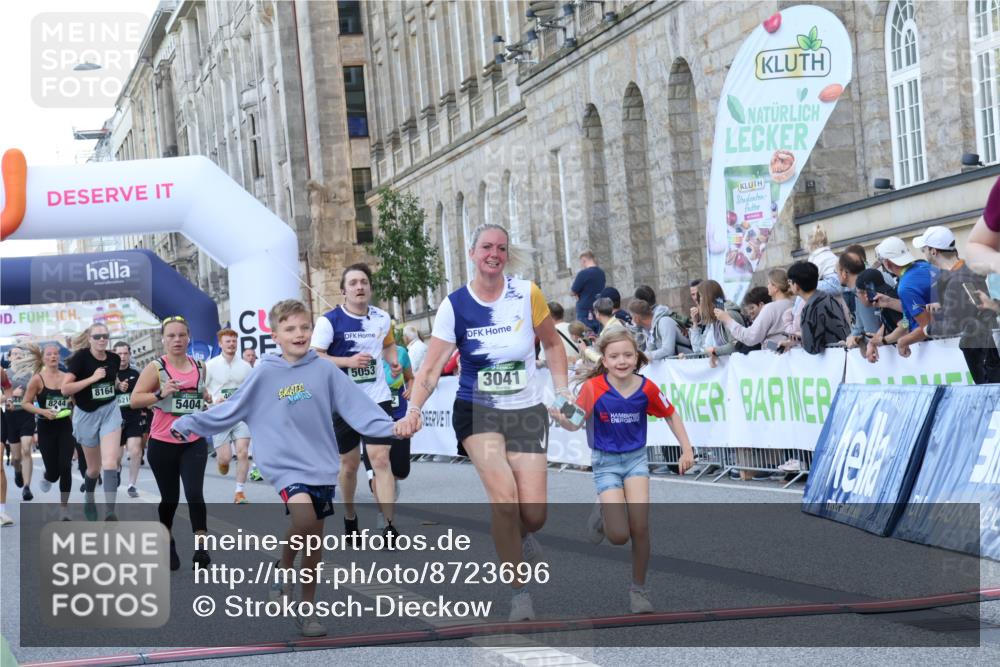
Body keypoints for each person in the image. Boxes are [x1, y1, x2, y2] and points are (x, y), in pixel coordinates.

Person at [172, 299, 406, 638]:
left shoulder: (325, 370)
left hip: (321, 465)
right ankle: (283, 569)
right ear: (276, 335)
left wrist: (392, 426)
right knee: (304, 521)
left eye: (304, 327)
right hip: (284, 466)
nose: (299, 334)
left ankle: (307, 609)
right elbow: (234, 408)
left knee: (314, 545)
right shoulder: (266, 372)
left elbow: (358, 407)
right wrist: (191, 423)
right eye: (290, 329)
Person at [398, 222, 570, 622]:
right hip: (478, 411)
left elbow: (553, 344)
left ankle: (525, 536)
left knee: (534, 514)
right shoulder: (454, 305)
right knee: (504, 501)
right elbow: (432, 367)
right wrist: (414, 410)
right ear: (472, 253)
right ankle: (519, 593)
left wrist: (562, 392)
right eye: (487, 247)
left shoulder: (527, 294)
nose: (494, 254)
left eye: (501, 248)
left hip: (526, 411)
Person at [549, 329, 694, 614]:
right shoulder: (593, 389)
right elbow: (575, 423)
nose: (622, 361)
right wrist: (562, 417)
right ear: (604, 359)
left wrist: (687, 449)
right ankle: (603, 512)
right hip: (606, 463)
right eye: (614, 356)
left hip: (636, 460)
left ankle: (639, 590)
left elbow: (670, 413)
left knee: (640, 527)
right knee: (618, 535)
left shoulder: (647, 388)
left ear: (636, 357)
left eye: (628, 355)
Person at [311, 263, 403, 542]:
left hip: (377, 398)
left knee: (381, 459)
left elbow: (387, 344)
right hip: (342, 401)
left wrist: (393, 360)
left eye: (364, 282)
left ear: (370, 288)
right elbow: (315, 357)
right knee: (348, 465)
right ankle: (350, 515)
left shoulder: (381, 317)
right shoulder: (330, 321)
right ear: (343, 291)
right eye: (353, 283)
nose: (359, 287)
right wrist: (347, 361)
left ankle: (388, 525)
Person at [130, 316, 212, 570]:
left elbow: (200, 396)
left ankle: (201, 550)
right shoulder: (155, 367)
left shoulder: (200, 366)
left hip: (192, 441)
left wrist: (205, 399)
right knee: (170, 499)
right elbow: (135, 400)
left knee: (195, 493)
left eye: (181, 335)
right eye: (171, 336)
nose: (177, 340)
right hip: (162, 443)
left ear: (188, 338)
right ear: (164, 340)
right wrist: (160, 393)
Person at [915, 226, 1000, 383]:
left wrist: (928, 329)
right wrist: (947, 305)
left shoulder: (957, 280)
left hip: (983, 355)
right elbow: (975, 304)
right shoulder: (966, 269)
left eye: (924, 249)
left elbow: (953, 326)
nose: (924, 253)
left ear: (934, 251)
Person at [61, 324, 124, 521]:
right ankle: (89, 497)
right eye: (97, 337)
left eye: (105, 336)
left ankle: (110, 512)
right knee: (94, 469)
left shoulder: (114, 358)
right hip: (86, 414)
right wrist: (92, 378)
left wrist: (118, 385)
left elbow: (110, 379)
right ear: (89, 338)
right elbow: (65, 389)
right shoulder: (80, 358)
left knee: (110, 462)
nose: (102, 340)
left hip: (110, 410)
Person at [19, 343, 75, 519]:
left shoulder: (68, 377)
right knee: (53, 474)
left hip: (65, 427)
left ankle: (64, 508)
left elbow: (75, 399)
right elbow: (25, 403)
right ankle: (47, 474)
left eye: (56, 354)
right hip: (46, 428)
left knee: (66, 467)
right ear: (43, 358)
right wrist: (43, 412)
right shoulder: (37, 379)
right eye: (49, 354)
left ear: (59, 357)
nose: (53, 357)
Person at [363, 343, 414, 529]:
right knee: (379, 468)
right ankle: (385, 518)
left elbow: (410, 377)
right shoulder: (364, 352)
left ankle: (390, 484)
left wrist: (410, 386)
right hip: (372, 419)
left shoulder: (401, 353)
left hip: (398, 418)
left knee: (400, 471)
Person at [205, 328, 254, 503]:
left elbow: (251, 389)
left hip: (240, 414)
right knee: (225, 457)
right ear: (220, 344)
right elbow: (202, 389)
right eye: (228, 341)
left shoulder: (245, 366)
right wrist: (211, 402)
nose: (231, 344)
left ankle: (239, 492)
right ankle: (222, 462)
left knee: (242, 452)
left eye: (234, 341)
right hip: (220, 415)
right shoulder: (210, 365)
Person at [874, 236, 935, 358]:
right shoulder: (923, 266)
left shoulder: (905, 286)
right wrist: (889, 302)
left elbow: (927, 327)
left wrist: (903, 341)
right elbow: (920, 307)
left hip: (935, 347)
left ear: (887, 263)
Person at [716, 269, 793, 350]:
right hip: (790, 354)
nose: (767, 286)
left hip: (774, 357)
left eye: (769, 283)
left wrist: (728, 320)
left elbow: (750, 337)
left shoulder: (770, 308)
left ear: (776, 287)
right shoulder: (793, 304)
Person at [785, 262, 850, 354]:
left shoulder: (811, 308)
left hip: (830, 360)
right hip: (843, 354)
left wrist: (801, 337)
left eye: (789, 281)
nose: (789, 285)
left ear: (796, 285)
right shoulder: (829, 298)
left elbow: (812, 348)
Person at [112, 342, 144, 499]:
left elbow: (145, 391)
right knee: (116, 457)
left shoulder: (136, 373)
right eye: (119, 354)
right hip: (114, 420)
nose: (123, 357)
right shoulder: (109, 373)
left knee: (135, 450)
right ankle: (117, 470)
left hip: (133, 417)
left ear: (130, 355)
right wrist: (116, 387)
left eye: (125, 353)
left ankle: (132, 485)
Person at [5, 347, 36, 500]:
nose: (18, 356)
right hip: (11, 417)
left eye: (21, 354)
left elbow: (37, 396)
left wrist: (30, 396)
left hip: (27, 415)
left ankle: (27, 487)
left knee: (26, 449)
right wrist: (12, 395)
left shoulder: (31, 375)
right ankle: (18, 470)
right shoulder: (3, 374)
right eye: (15, 354)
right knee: (16, 457)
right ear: (9, 357)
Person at [859, 268, 908, 363]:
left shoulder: (887, 298)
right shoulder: (885, 295)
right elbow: (887, 321)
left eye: (858, 293)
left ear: (865, 293)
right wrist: (875, 339)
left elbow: (905, 324)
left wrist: (884, 340)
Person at [689, 280, 745, 363]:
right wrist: (695, 323)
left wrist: (714, 351)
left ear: (708, 297)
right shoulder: (714, 319)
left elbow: (736, 345)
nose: (699, 301)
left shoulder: (729, 314)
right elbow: (699, 349)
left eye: (700, 296)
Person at [837, 251, 881, 348]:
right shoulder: (860, 290)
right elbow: (859, 327)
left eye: (836, 271)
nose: (837, 275)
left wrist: (856, 340)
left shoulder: (863, 291)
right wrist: (852, 338)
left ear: (844, 273)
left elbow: (871, 333)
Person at [627, 299, 691, 360]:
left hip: (690, 362)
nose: (632, 321)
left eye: (631, 317)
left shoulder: (664, 322)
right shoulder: (650, 329)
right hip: (676, 366)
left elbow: (668, 351)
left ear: (636, 318)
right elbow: (650, 350)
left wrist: (643, 357)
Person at [571, 250, 606, 333]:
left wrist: (577, 294)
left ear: (584, 260)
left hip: (585, 311)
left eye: (581, 262)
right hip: (598, 309)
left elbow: (573, 291)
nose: (582, 264)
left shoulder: (583, 274)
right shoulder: (601, 273)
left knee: (586, 337)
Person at [539, 301, 580, 366]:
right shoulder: (576, 328)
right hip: (580, 371)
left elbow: (544, 361)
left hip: (562, 373)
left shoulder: (546, 335)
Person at [806, 225, 842, 295]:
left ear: (810, 245)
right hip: (840, 283)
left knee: (804, 287)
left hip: (831, 284)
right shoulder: (830, 253)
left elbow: (813, 276)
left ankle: (797, 306)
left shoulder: (815, 256)